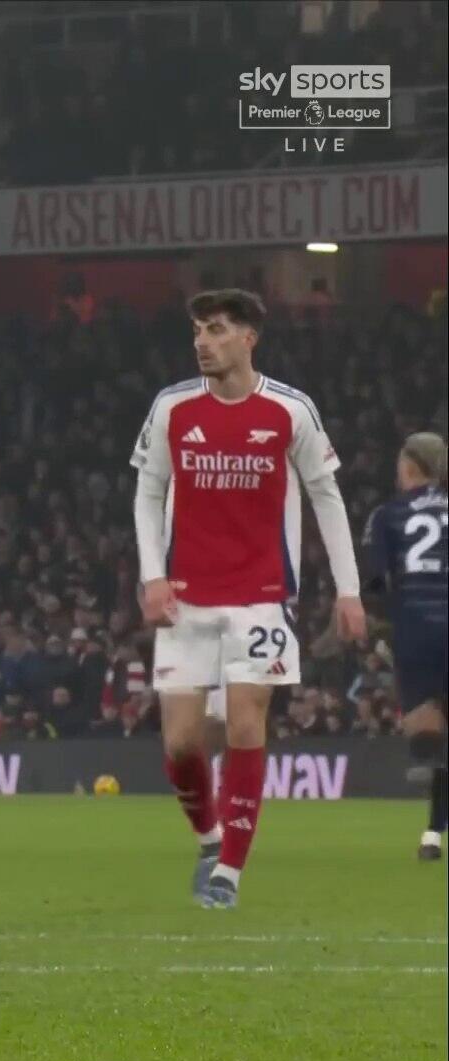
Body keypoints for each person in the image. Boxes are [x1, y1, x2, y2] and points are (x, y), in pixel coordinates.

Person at [130, 288, 366, 910]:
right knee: (182, 745)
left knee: (243, 723)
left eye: (215, 329)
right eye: (197, 331)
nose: (202, 342)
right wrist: (153, 576)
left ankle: (228, 875)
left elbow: (327, 497)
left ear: (248, 338)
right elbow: (148, 492)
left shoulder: (291, 410)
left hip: (262, 595)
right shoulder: (172, 407)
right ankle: (210, 839)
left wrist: (349, 590)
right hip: (186, 598)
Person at [360, 432, 448, 860]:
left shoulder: (388, 515)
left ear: (409, 466)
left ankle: (433, 831)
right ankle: (434, 832)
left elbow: (375, 583)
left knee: (427, 742)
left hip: (416, 630)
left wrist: (380, 630)